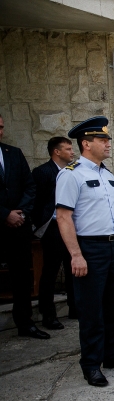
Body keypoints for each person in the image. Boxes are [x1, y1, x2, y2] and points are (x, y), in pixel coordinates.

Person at [56, 116, 114, 387]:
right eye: (102, 140)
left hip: (112, 247)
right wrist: (76, 255)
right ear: (86, 143)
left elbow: (112, 215)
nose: (107, 144)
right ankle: (91, 364)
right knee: (91, 309)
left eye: (107, 140)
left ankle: (112, 354)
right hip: (88, 247)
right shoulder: (71, 174)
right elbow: (64, 217)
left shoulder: (107, 175)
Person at [0, 114, 46, 339]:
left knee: (21, 277)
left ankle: (25, 323)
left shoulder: (14, 154)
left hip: (18, 226)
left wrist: (20, 213)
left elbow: (29, 186)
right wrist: (4, 214)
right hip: (3, 219)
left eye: (0, 127)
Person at [31, 137, 78, 331]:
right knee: (50, 270)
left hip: (72, 226)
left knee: (73, 268)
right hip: (52, 226)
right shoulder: (42, 172)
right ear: (56, 152)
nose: (72, 152)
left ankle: (75, 308)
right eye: (68, 149)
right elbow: (37, 201)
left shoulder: (73, 172)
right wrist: (40, 224)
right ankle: (48, 315)